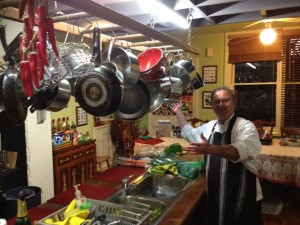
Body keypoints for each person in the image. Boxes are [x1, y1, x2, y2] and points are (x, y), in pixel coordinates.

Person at [171, 86, 263, 225]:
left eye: (225, 100)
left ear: (235, 103)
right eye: (216, 101)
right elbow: (188, 132)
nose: (220, 104)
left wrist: (212, 149)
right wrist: (179, 112)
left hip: (243, 196)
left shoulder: (245, 126)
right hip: (216, 194)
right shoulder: (209, 127)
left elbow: (241, 149)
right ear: (212, 106)